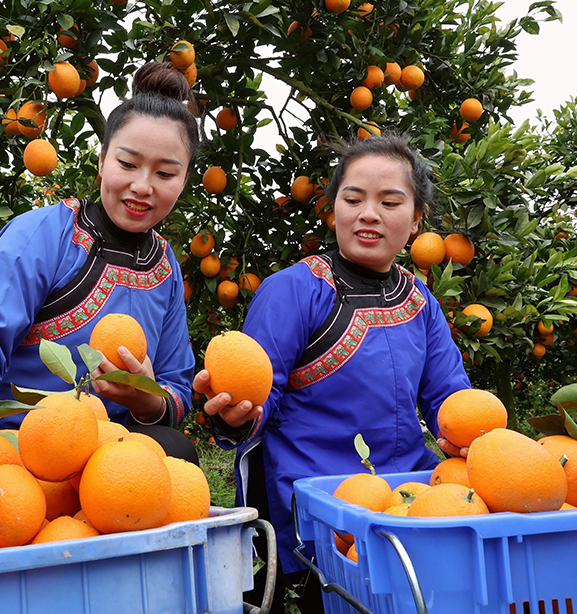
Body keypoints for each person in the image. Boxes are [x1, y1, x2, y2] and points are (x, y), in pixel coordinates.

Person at [193, 133, 472, 609]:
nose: (369, 213)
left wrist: (470, 434)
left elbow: (450, 397)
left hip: (405, 505)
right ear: (333, 210)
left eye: (390, 201)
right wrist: (233, 415)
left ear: (416, 220)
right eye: (353, 198)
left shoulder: (420, 302)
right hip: (314, 513)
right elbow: (257, 393)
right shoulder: (294, 290)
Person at [0, 61, 199, 463]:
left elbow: (175, 384)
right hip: (21, 438)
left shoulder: (165, 267)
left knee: (177, 451)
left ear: (183, 180)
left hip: (108, 454)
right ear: (101, 162)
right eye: (128, 164)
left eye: (165, 173)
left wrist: (146, 401)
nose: (141, 186)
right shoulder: (45, 232)